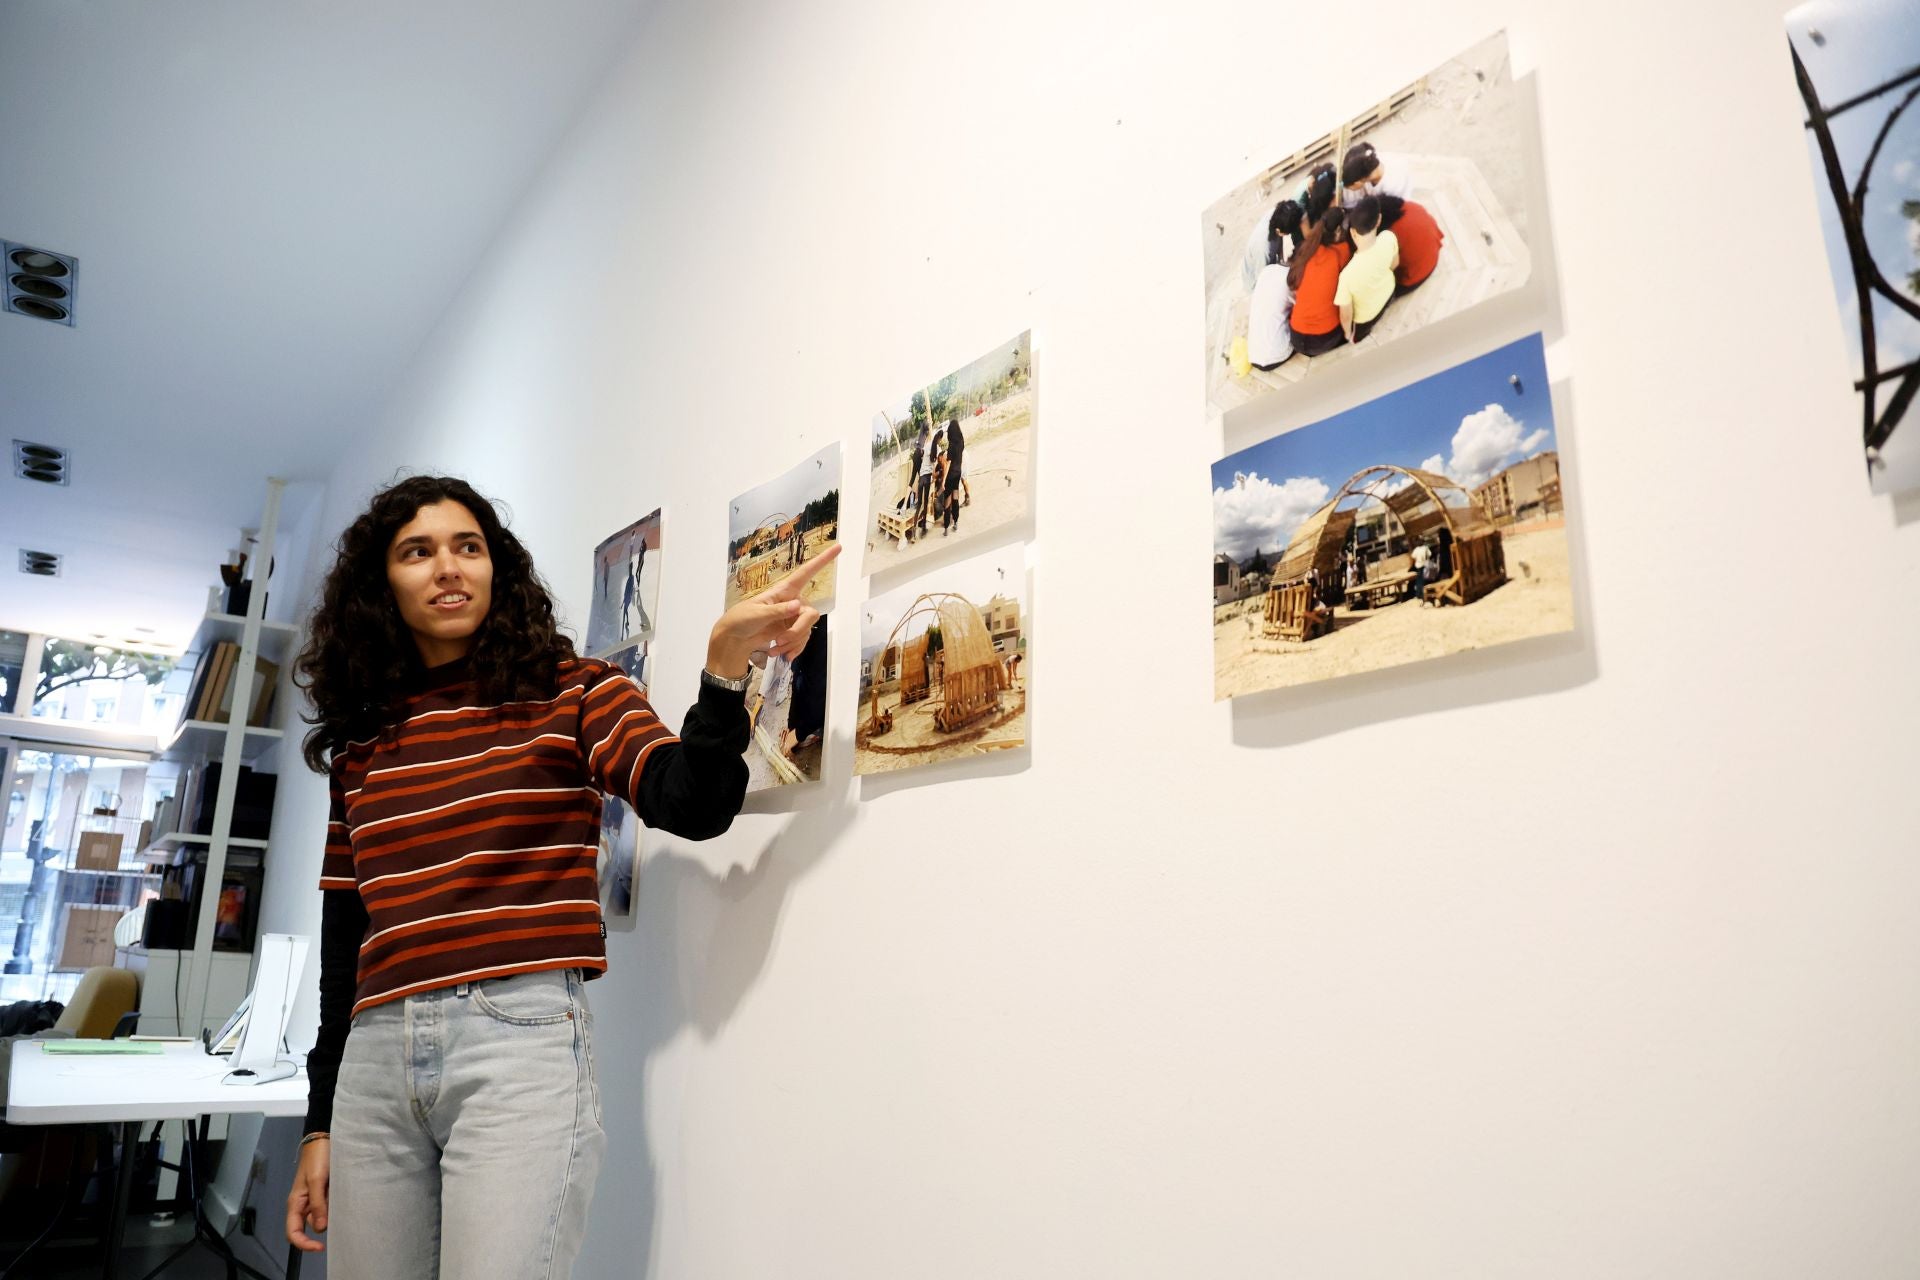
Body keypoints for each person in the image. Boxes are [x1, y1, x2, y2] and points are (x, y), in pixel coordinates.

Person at [284, 475, 836, 1278]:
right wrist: (318, 1122)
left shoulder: (571, 690)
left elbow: (690, 801)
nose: (448, 568)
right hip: (372, 1059)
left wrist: (723, 668)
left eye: (468, 547)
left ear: (496, 568)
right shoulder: (363, 745)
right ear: (381, 586)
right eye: (418, 552)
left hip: (516, 1041)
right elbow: (347, 943)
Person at [1287, 205, 1352, 357]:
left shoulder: (1306, 249)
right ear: (1338, 231)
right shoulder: (1342, 251)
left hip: (1296, 336)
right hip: (1324, 338)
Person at [1334, 195, 1399, 346]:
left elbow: (1345, 315)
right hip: (1389, 293)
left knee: (1356, 338)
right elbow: (1394, 264)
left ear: (1352, 232)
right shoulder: (1388, 237)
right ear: (1379, 220)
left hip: (1366, 318)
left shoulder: (1346, 276)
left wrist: (1347, 333)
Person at [1375, 194, 1444, 293]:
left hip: (1414, 277)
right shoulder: (1412, 206)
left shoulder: (1389, 236)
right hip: (1432, 256)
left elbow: (1384, 267)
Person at [1339, 140, 1412, 209]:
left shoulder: (1392, 185)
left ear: (1358, 182)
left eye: (1349, 187)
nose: (1348, 189)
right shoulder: (1369, 158)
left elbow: (1385, 210)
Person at [937, 417, 966, 535]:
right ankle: (956, 523)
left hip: (951, 475)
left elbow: (948, 463)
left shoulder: (952, 445)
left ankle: (946, 528)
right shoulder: (961, 442)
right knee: (956, 498)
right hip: (958, 472)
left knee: (947, 502)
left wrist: (943, 481)